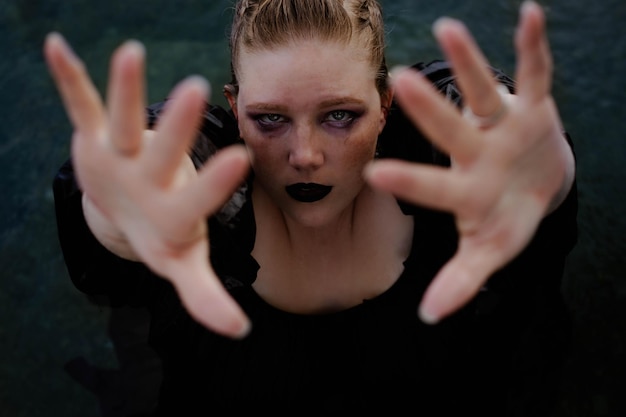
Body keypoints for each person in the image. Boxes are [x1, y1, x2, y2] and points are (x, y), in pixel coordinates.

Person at [45, 0, 578, 415]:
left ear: (387, 104)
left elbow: (492, 136)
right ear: (234, 108)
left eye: (340, 115)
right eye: (270, 119)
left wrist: (538, 174)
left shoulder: (433, 152)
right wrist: (121, 213)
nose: (305, 155)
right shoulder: (210, 174)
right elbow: (162, 165)